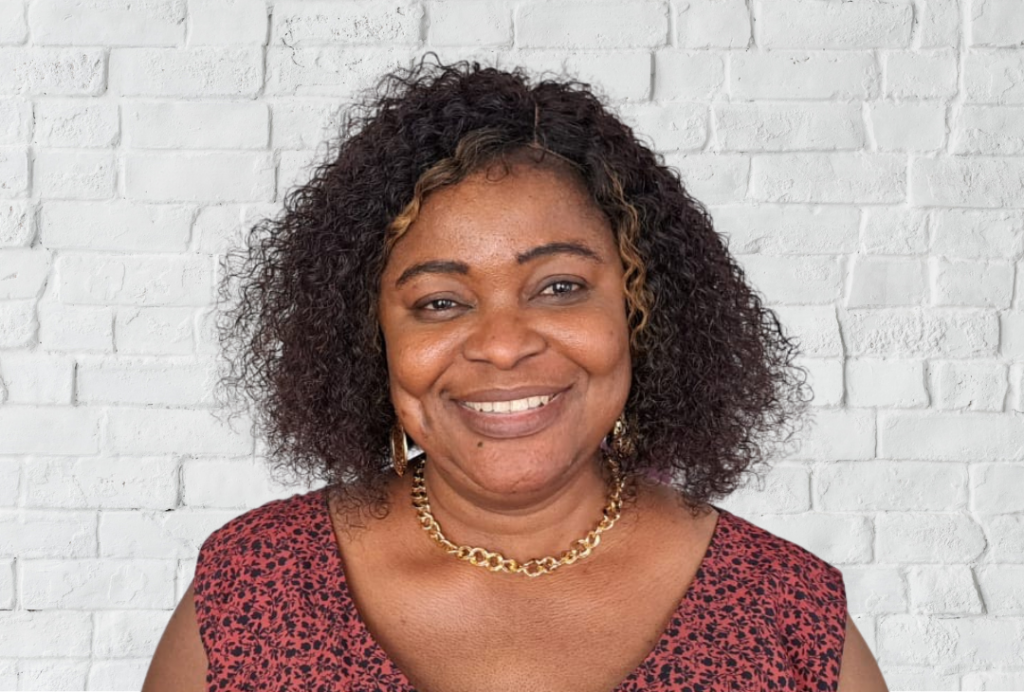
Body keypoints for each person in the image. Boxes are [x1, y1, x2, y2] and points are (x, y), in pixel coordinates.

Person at [142, 56, 888, 692]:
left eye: (560, 287)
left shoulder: (787, 614)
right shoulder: (251, 590)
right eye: (439, 301)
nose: (502, 346)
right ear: (369, 339)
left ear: (640, 307)